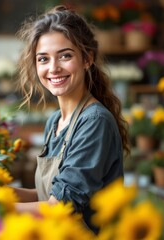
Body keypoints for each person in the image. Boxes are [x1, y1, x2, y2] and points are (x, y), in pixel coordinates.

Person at [11, 5, 130, 234]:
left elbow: (62, 206)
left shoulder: (95, 121)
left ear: (87, 59)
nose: (53, 68)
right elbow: (49, 195)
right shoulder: (55, 122)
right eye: (43, 59)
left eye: (65, 56)